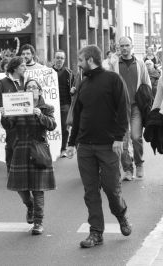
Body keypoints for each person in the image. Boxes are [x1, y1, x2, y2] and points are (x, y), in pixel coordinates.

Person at [67, 45, 131, 248]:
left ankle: (121, 215)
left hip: (108, 146)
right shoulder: (84, 83)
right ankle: (96, 232)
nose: (78, 63)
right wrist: (71, 143)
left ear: (90, 60)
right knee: (90, 191)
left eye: (80, 59)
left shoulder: (113, 79)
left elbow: (123, 109)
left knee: (112, 189)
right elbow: (77, 115)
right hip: (85, 147)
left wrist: (119, 138)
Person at [1, 79, 56, 235]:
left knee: (38, 189)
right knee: (21, 187)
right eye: (28, 87)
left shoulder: (46, 108)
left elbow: (52, 126)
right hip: (21, 148)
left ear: (39, 91)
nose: (31, 89)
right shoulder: (17, 106)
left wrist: (40, 116)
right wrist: (5, 116)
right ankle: (29, 205)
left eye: (34, 87)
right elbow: (9, 126)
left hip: (38, 149)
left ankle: (38, 222)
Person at [110, 36, 152, 180]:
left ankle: (139, 164)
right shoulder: (114, 64)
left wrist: (149, 104)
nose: (124, 48)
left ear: (132, 46)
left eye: (127, 45)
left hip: (136, 107)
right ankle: (128, 169)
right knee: (122, 140)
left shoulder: (140, 63)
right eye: (122, 46)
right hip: (120, 108)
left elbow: (147, 84)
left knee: (135, 137)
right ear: (118, 47)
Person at [0, 57, 26, 173]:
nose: (25, 68)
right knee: (11, 144)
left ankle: (23, 169)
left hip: (25, 119)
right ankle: (10, 169)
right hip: (10, 120)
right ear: (15, 68)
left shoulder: (27, 80)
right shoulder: (4, 82)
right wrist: (3, 109)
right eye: (22, 66)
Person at [52, 50, 75, 158]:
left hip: (65, 104)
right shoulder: (48, 72)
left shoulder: (69, 73)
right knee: (51, 127)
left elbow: (73, 88)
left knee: (64, 128)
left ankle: (63, 149)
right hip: (51, 105)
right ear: (54, 58)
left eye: (62, 58)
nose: (59, 60)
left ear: (64, 60)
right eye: (57, 57)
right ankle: (52, 148)